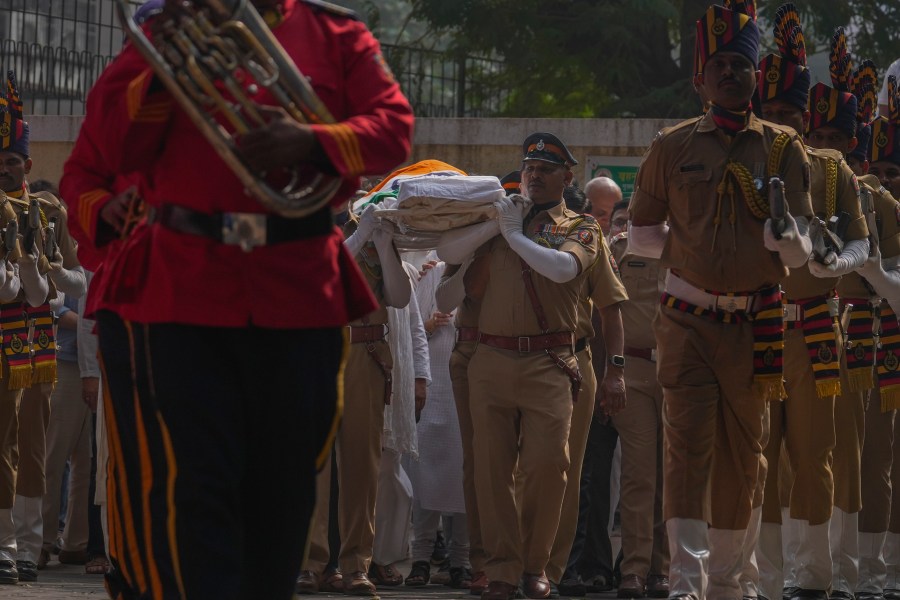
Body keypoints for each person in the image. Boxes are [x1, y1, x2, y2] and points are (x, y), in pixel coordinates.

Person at [58, 0, 414, 597]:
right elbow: (109, 151)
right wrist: (163, 65)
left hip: (299, 287)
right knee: (195, 489)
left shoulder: (337, 33)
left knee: (286, 490)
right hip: (184, 291)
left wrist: (310, 139)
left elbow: (392, 131)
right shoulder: (157, 34)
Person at [629, 4, 814, 600]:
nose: (731, 74)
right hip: (685, 323)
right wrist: (687, 260)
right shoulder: (672, 145)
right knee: (685, 452)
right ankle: (687, 581)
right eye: (720, 65)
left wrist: (786, 240)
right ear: (699, 80)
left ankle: (731, 583)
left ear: (757, 76)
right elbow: (641, 234)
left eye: (741, 64)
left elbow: (804, 248)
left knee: (747, 453)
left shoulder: (785, 148)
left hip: (755, 324)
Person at [438, 132, 608, 600]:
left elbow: (562, 270)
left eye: (546, 169)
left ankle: (537, 566)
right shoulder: (496, 223)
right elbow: (445, 280)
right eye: (529, 168)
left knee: (548, 466)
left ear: (567, 177)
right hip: (490, 359)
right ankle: (502, 571)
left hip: (550, 360)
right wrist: (495, 228)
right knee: (491, 471)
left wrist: (513, 235)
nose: (534, 175)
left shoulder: (581, 226)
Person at [755, 8, 871, 600]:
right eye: (768, 113)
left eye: (789, 116)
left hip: (817, 330)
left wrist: (836, 264)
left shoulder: (831, 170)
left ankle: (813, 576)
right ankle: (762, 579)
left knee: (814, 457)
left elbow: (860, 241)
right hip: (748, 327)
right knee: (755, 459)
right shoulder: (735, 157)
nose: (779, 124)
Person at [0, 70, 85, 585]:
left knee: (34, 449)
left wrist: (46, 271)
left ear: (28, 164)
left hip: (41, 350)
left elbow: (76, 282)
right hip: (2, 343)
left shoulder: (51, 211)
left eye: (11, 162)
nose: (4, 170)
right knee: (1, 447)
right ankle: (6, 544)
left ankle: (30, 545)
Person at [550, 186, 628, 598]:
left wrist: (611, 375)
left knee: (599, 479)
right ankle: (555, 565)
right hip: (553, 370)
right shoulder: (542, 247)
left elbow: (611, 315)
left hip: (595, 374)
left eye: (604, 215)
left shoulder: (610, 254)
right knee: (565, 474)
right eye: (594, 214)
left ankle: (587, 564)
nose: (597, 223)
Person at [607, 199, 670, 599]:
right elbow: (602, 312)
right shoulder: (618, 249)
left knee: (671, 475)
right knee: (639, 473)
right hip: (633, 369)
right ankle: (634, 568)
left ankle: (662, 569)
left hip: (679, 372)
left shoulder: (688, 249)